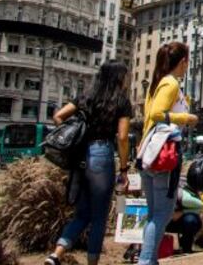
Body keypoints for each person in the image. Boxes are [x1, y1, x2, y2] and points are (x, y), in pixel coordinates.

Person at [44, 61, 132, 265]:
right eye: (125, 76)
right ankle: (92, 262)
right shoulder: (121, 101)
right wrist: (124, 169)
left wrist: (76, 133)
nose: (127, 79)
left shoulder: (87, 97)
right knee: (99, 216)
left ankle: (56, 254)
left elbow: (58, 116)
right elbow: (122, 137)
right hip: (102, 154)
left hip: (81, 154)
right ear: (119, 77)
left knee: (82, 213)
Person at [138, 42, 198, 265]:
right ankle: (145, 261)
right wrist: (186, 118)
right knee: (162, 214)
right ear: (182, 61)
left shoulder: (157, 83)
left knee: (154, 214)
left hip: (149, 154)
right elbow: (156, 114)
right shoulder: (171, 83)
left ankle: (149, 260)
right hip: (165, 155)